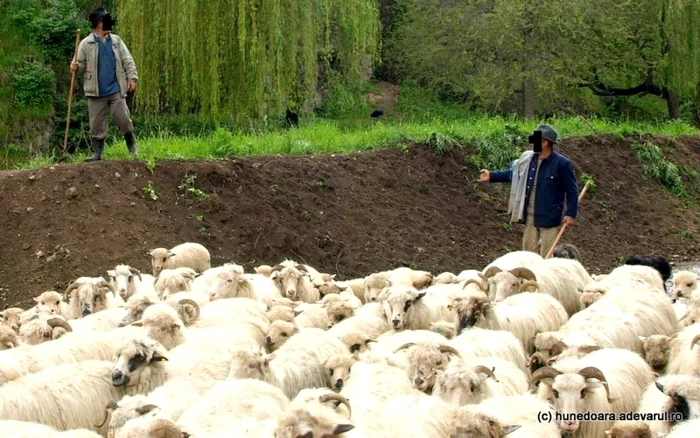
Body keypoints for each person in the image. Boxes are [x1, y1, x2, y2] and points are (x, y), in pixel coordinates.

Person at [478, 124, 579, 257]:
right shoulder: (529, 160)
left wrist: (571, 214)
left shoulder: (562, 163)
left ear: (545, 142)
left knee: (547, 256)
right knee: (528, 254)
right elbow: (513, 174)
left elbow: (572, 190)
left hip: (550, 217)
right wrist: (491, 176)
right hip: (530, 216)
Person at [70, 7, 139, 162]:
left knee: (123, 118)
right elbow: (78, 65)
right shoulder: (86, 43)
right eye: (107, 19)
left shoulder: (116, 41)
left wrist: (132, 78)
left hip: (115, 88)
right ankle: (97, 153)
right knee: (96, 124)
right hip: (95, 91)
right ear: (99, 23)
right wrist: (75, 67)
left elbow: (128, 60)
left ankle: (132, 147)